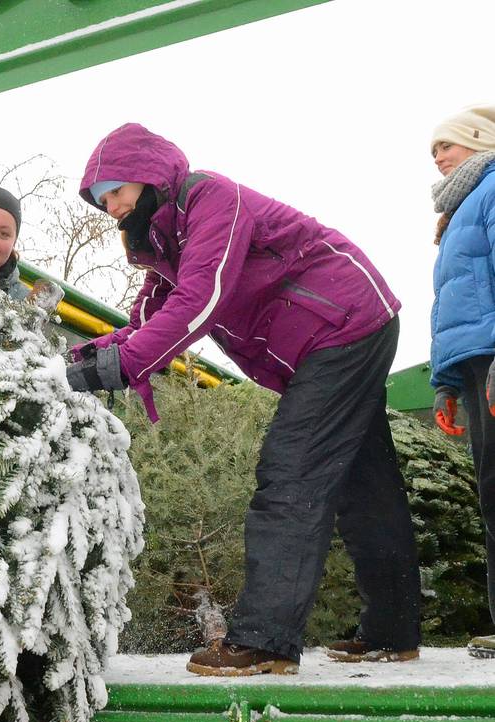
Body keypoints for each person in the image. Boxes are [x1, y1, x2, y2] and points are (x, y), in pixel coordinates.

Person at [69, 122, 421, 676]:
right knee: (364, 482)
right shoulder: (164, 239)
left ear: (145, 174)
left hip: (344, 322)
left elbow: (200, 298)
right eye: (99, 199)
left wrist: (127, 364)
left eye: (113, 191)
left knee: (292, 470)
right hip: (332, 336)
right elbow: (147, 320)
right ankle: (393, 630)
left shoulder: (212, 199)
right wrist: (82, 360)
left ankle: (265, 639)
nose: (108, 206)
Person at [427, 105, 495, 660]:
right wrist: (446, 381)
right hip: (474, 365)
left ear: (479, 142)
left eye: (446, 146)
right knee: (491, 490)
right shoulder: (454, 217)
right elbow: (452, 304)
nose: (438, 157)